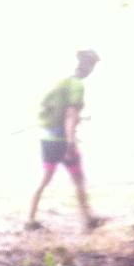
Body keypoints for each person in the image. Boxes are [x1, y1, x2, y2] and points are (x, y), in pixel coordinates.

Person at [27, 49, 103, 232]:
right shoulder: (77, 85)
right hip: (63, 141)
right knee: (79, 179)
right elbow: (70, 114)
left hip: (48, 139)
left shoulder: (61, 82)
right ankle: (88, 219)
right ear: (88, 66)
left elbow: (56, 111)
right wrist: (70, 143)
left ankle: (30, 218)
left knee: (44, 179)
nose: (91, 70)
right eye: (92, 66)